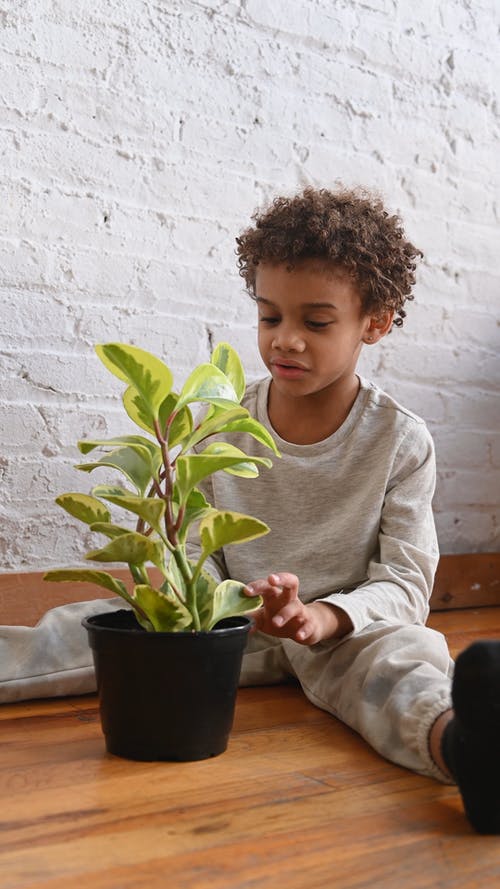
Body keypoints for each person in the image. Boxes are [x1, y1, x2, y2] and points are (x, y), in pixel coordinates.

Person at [0, 186, 498, 835]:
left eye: (315, 322)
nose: (285, 340)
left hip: (346, 635)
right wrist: (202, 599)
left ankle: (470, 754)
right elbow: (191, 550)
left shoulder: (399, 441)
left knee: (405, 669)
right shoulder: (217, 425)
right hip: (223, 627)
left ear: (373, 322)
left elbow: (405, 583)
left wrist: (323, 616)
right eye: (269, 317)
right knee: (77, 630)